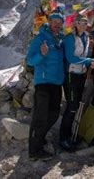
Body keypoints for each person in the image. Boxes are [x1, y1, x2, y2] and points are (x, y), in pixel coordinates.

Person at [26, 9, 65, 160]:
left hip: (56, 82)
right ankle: (34, 151)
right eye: (54, 22)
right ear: (49, 22)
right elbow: (30, 61)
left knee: (54, 114)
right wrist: (41, 54)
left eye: (59, 23)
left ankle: (39, 138)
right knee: (40, 117)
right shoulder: (40, 38)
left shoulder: (61, 40)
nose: (56, 25)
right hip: (43, 82)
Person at [59, 14, 94, 151]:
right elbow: (70, 57)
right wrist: (87, 61)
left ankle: (70, 136)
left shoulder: (86, 37)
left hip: (81, 74)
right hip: (71, 74)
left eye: (85, 23)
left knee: (76, 106)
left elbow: (86, 55)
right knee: (72, 106)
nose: (83, 25)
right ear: (75, 23)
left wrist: (90, 63)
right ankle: (63, 138)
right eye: (80, 23)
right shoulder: (69, 38)